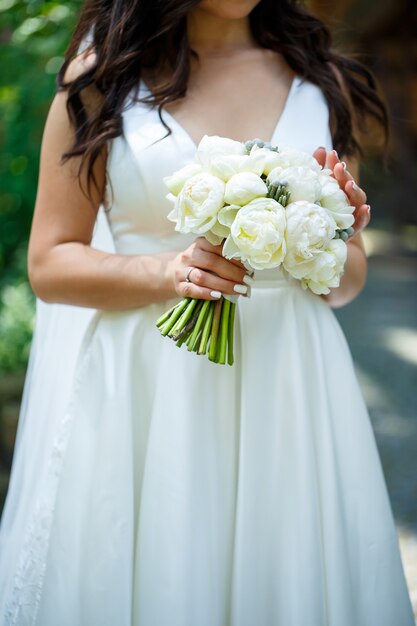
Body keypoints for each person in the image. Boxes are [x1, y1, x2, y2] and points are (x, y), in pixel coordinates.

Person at [0, 0, 414, 624]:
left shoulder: (321, 80)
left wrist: (332, 235)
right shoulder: (102, 80)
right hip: (149, 391)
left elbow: (347, 276)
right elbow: (50, 263)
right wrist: (168, 271)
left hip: (292, 390)